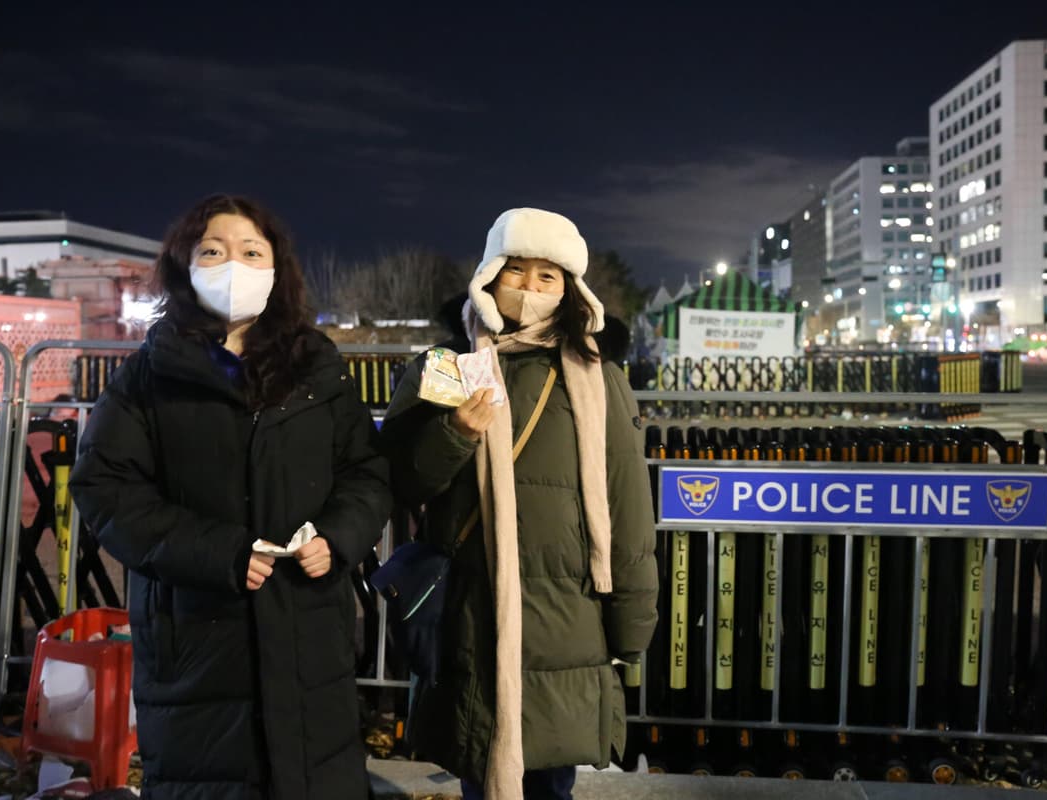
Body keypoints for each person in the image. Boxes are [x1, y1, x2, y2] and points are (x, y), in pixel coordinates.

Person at [69, 194, 392, 800]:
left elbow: (365, 472)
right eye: (213, 251)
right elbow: (105, 488)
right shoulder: (150, 373)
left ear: (276, 269)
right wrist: (218, 553)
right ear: (185, 266)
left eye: (251, 252)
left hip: (305, 628)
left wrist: (339, 536)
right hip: (194, 635)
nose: (233, 266)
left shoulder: (315, 367)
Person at [380, 207, 658, 799]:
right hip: (471, 616)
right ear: (488, 276)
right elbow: (400, 480)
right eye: (516, 271)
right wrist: (455, 431)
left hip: (567, 619)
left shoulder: (596, 374)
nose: (529, 288)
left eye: (546, 276)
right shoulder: (447, 364)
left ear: (570, 290)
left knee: (553, 779)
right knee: (480, 772)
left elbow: (627, 502)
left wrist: (632, 620)